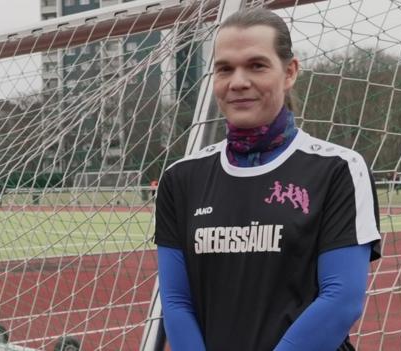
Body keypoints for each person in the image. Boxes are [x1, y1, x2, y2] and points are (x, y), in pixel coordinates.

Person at [154, 7, 381, 351]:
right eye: (225, 68)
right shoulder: (181, 178)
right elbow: (176, 303)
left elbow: (341, 300)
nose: (238, 81)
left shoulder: (338, 169)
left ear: (289, 71)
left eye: (256, 65)